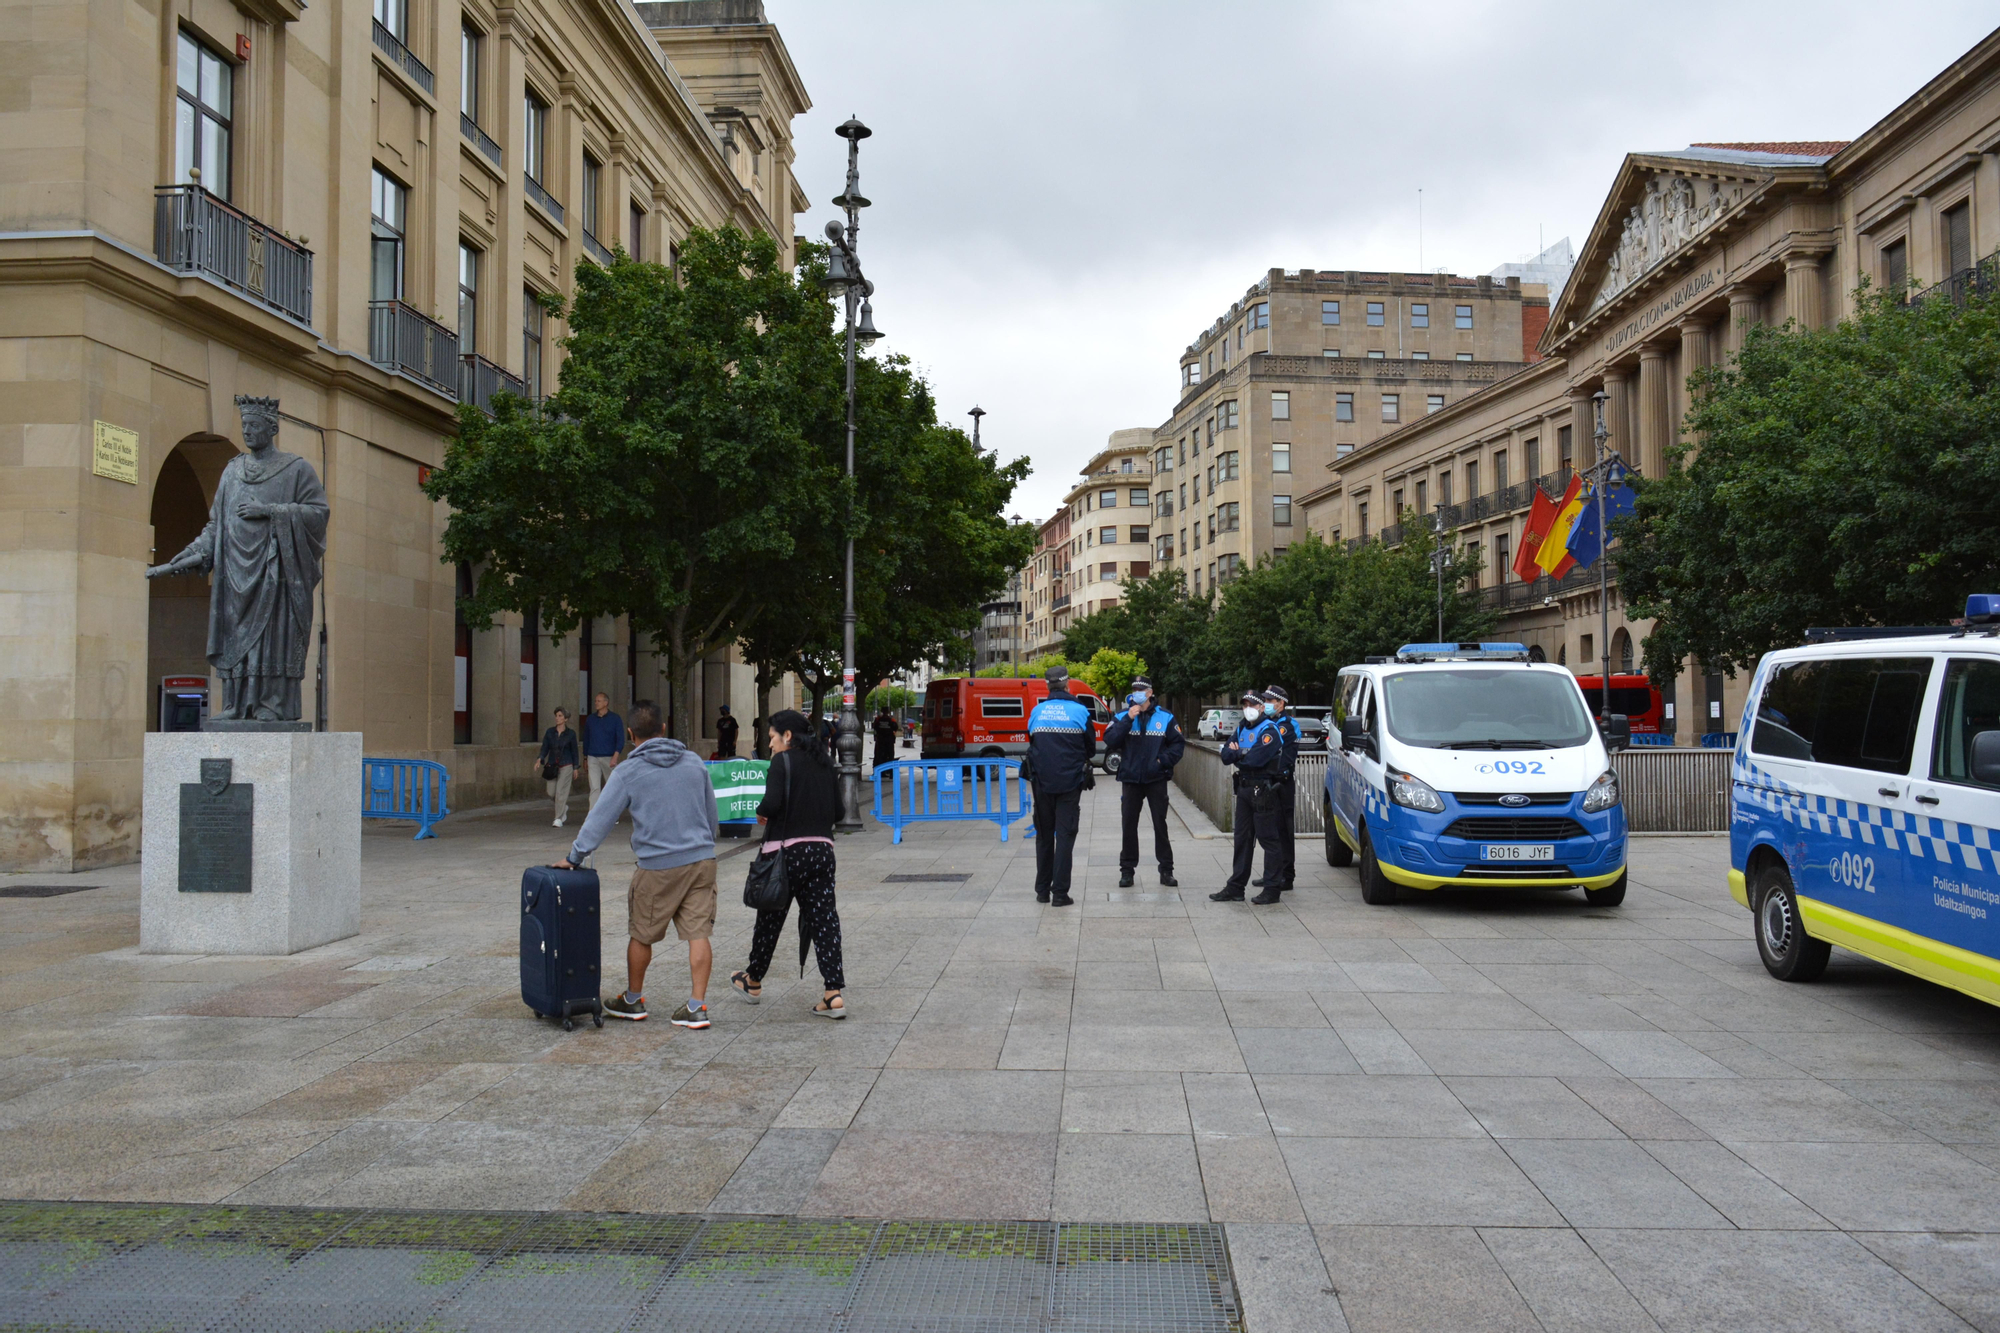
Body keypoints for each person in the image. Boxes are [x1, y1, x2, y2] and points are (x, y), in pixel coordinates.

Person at [553, 699, 719, 1028]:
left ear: (630, 734)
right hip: (701, 860)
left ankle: (633, 999)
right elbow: (711, 814)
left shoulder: (629, 770)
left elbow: (599, 819)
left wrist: (575, 856)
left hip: (657, 865)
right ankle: (697, 1006)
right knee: (698, 933)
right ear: (663, 729)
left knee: (642, 933)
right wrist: (704, 842)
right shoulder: (694, 763)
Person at [729, 709, 848, 1017]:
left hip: (785, 854)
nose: (769, 745)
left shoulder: (782, 762)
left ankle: (753, 981)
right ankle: (833, 993)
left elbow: (771, 805)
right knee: (824, 921)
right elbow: (838, 812)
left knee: (770, 918)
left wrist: (762, 811)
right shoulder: (826, 763)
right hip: (822, 852)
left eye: (771, 738)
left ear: (788, 736)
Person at [1103, 675, 1184, 888]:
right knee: (1129, 825)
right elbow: (1110, 740)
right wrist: (1128, 718)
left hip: (1156, 778)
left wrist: (1161, 762)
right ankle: (1127, 871)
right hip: (1130, 778)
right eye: (1134, 688)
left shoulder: (1165, 717)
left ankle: (1166, 870)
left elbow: (1177, 745)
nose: (1137, 692)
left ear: (1150, 692)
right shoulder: (1122, 715)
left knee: (1160, 824)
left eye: (1141, 689)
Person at [1026, 665, 1095, 906]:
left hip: (1041, 783)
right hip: (1069, 783)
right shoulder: (1080, 711)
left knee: (1044, 836)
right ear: (1067, 686)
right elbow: (1091, 748)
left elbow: (1032, 741)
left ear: (1047, 685)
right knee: (1065, 836)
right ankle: (1061, 894)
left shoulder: (1037, 711)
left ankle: (1042, 891)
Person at [1210, 690, 1286, 905]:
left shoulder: (1269, 730)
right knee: (1242, 840)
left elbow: (1256, 759)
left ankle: (1272, 888)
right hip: (1244, 789)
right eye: (1244, 705)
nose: (1247, 709)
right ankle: (1235, 887)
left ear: (1262, 707)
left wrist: (1238, 754)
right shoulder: (1242, 727)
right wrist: (1239, 754)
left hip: (1263, 790)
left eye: (1252, 705)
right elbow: (1225, 755)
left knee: (1268, 840)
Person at [1256, 685, 1301, 895]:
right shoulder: (1270, 723)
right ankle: (1272, 873)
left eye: (1269, 700)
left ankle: (1286, 875)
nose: (1266, 704)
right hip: (1269, 782)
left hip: (1281, 783)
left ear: (1280, 703)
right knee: (1270, 831)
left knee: (1282, 830)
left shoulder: (1286, 725)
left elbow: (1275, 752)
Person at [534, 707, 581, 827]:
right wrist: (540, 758)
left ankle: (558, 818)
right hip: (552, 766)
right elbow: (545, 747)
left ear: (565, 719)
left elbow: (574, 751)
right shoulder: (550, 732)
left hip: (567, 765)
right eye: (556, 716)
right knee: (551, 792)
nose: (557, 718)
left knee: (561, 792)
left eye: (560, 716)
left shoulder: (571, 734)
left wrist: (575, 767)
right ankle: (562, 807)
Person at [582, 693, 625, 809]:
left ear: (606, 703)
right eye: (595, 701)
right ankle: (593, 815)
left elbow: (620, 738)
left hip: (609, 756)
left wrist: (616, 756)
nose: (596, 703)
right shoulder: (590, 719)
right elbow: (586, 739)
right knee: (594, 787)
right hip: (593, 756)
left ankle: (612, 812)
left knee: (611, 787)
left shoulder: (615, 718)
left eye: (599, 701)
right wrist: (585, 757)